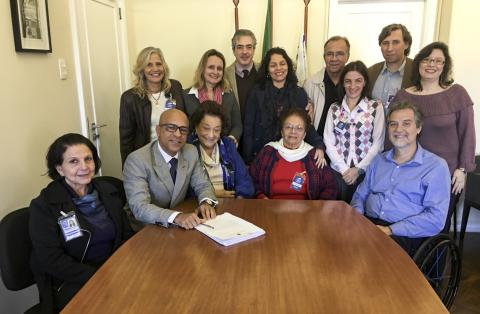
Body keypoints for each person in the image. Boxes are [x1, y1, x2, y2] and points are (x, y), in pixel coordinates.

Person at [29, 133, 134, 313]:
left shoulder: (108, 191)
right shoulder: (44, 206)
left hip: (115, 271)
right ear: (60, 169)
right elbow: (51, 260)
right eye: (73, 162)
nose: (84, 167)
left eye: (88, 159)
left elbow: (126, 236)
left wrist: (123, 269)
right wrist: (100, 277)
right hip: (73, 281)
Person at [390, 42, 476, 232]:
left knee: (437, 227)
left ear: (445, 66)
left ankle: (434, 262)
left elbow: (467, 134)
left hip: (447, 174)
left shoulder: (457, 94)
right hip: (410, 173)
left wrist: (462, 169)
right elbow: (392, 136)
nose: (432, 64)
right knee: (409, 224)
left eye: (438, 61)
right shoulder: (403, 97)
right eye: (427, 59)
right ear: (418, 63)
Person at [351, 102, 451, 257]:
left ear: (418, 128)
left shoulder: (436, 167)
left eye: (406, 124)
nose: (398, 129)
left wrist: (391, 230)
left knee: (366, 255)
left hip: (405, 233)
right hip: (369, 224)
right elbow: (360, 195)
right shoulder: (379, 161)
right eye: (393, 124)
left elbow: (435, 219)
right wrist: (357, 219)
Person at [123, 109, 217, 229]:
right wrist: (177, 217)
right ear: (158, 130)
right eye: (171, 128)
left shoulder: (191, 151)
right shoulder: (137, 160)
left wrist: (206, 202)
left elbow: (203, 184)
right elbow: (140, 207)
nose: (178, 134)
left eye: (183, 130)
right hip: (145, 226)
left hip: (178, 223)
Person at [243, 47, 326, 165]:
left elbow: (306, 125)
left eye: (282, 64)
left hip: (291, 155)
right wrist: (248, 159)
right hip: (262, 155)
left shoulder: (299, 93)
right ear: (267, 69)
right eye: (273, 65)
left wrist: (319, 145)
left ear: (288, 66)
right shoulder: (257, 92)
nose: (278, 68)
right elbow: (248, 127)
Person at [324, 61, 385, 203]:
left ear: (364, 82)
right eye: (348, 81)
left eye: (358, 81)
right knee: (336, 214)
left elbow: (378, 143)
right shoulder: (334, 108)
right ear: (343, 83)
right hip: (338, 173)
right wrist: (344, 169)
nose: (352, 86)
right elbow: (328, 140)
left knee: (360, 214)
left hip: (366, 172)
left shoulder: (375, 107)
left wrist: (358, 169)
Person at [249, 108, 337, 200]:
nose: (293, 131)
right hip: (270, 208)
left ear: (304, 135)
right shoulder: (268, 152)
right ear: (282, 132)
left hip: (307, 211)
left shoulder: (314, 156)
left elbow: (331, 186)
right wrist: (261, 197)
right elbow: (250, 179)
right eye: (288, 127)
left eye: (299, 128)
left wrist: (317, 206)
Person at [119, 47, 184, 165]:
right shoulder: (130, 98)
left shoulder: (175, 87)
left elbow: (185, 121)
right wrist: (128, 168)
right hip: (147, 159)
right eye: (149, 65)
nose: (155, 69)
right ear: (141, 69)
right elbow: (126, 141)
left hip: (176, 155)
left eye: (158, 64)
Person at [188, 101, 254, 198]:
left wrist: (239, 199)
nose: (211, 135)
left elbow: (245, 182)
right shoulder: (188, 148)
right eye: (206, 128)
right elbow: (183, 191)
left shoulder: (228, 145)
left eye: (216, 130)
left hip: (230, 203)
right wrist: (212, 194)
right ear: (196, 127)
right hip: (199, 204)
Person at [183, 49, 242, 145]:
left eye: (219, 69)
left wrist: (231, 139)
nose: (215, 72)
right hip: (194, 150)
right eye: (211, 67)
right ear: (202, 69)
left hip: (224, 151)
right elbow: (184, 128)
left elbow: (237, 125)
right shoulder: (186, 96)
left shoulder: (229, 95)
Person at [304, 36, 350, 136]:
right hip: (318, 145)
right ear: (324, 57)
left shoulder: (355, 84)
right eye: (329, 54)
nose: (334, 58)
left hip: (347, 145)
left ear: (348, 56)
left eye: (339, 54)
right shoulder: (310, 84)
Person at [368, 24, 413, 111]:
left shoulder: (418, 71)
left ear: (406, 44)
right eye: (385, 43)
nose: (389, 48)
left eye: (396, 42)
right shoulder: (370, 72)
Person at [225, 29, 260, 121]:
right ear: (233, 50)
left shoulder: (263, 71)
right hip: (234, 132)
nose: (244, 52)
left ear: (254, 49)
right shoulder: (224, 75)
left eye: (249, 47)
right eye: (240, 47)